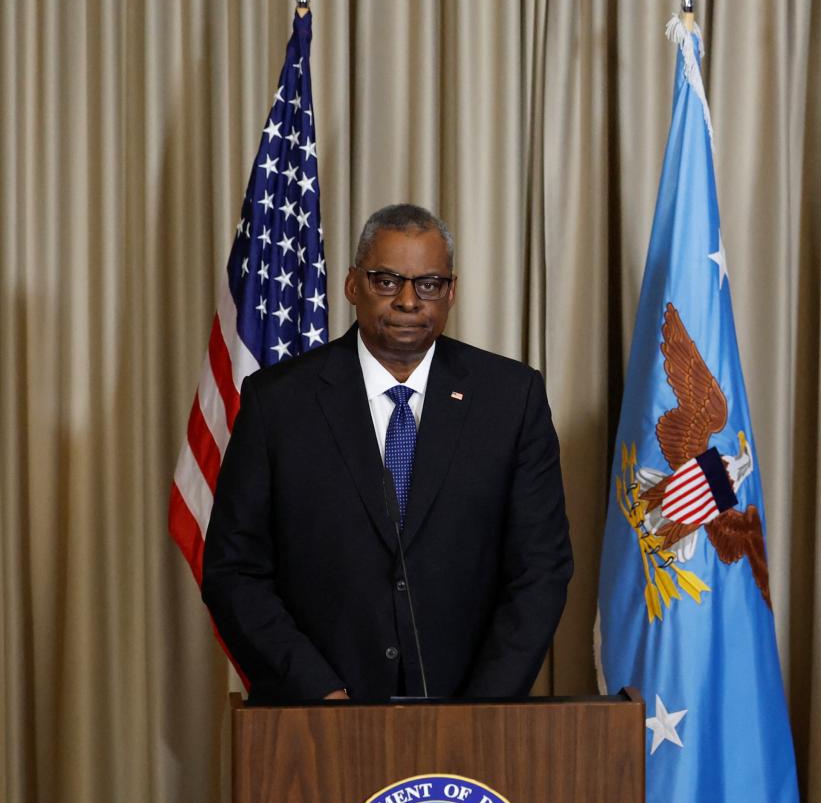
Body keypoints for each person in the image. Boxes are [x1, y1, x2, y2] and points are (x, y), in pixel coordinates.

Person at [201, 204, 572, 702]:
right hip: (318, 718)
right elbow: (234, 569)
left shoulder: (511, 398)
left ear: (451, 292)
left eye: (428, 284)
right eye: (386, 280)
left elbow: (541, 569)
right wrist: (318, 690)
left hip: (473, 715)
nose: (407, 301)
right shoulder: (278, 402)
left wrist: (485, 707)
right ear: (353, 285)